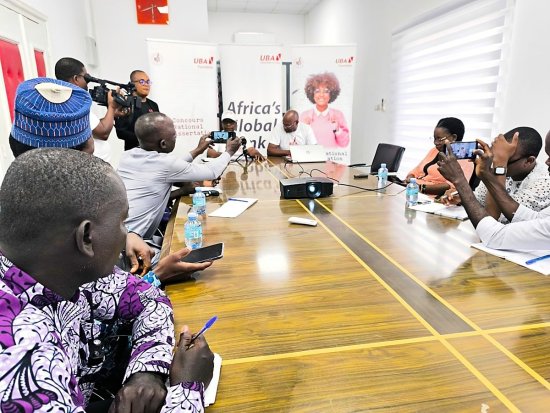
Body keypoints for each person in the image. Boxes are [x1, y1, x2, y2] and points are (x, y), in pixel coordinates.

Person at [0, 148, 214, 411]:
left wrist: (146, 372)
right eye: (123, 222)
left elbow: (150, 300)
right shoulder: (18, 359)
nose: (127, 236)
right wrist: (188, 388)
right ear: (86, 237)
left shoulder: (62, 272)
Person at [8, 77, 210, 281]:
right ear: (87, 150)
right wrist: (157, 276)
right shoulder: (92, 202)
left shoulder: (15, 195)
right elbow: (105, 294)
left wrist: (129, 235)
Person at [118, 112, 241, 242]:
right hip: (132, 243)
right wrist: (229, 151)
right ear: (163, 144)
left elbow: (171, 167)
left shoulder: (127, 156)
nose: (176, 137)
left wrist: (198, 150)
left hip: (118, 233)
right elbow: (211, 171)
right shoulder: (165, 164)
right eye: (174, 135)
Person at [437, 130, 550, 250]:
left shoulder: (544, 181)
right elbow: (480, 201)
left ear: (529, 161)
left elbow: (494, 226)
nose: (547, 162)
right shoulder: (503, 169)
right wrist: (462, 197)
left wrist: (459, 180)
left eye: (505, 160)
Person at [53, 57, 124, 162]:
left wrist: (112, 113)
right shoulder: (74, 104)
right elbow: (103, 133)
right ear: (76, 79)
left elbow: (92, 126)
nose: (87, 83)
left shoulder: (60, 100)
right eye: (86, 77)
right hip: (92, 166)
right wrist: (112, 107)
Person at [406, 117, 474, 196]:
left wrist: (421, 188)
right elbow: (415, 172)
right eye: (435, 138)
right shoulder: (434, 150)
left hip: (431, 197)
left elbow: (453, 186)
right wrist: (409, 179)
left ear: (454, 137)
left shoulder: (465, 160)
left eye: (440, 139)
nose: (435, 142)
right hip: (414, 191)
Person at [300, 72, 350, 148]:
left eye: (326, 91)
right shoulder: (304, 116)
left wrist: (337, 129)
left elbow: (344, 144)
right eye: (317, 91)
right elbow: (298, 143)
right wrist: (304, 129)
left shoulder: (338, 115)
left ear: (331, 94)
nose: (321, 95)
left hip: (331, 155)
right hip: (311, 155)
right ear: (312, 94)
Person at [115, 70, 159, 150]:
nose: (146, 85)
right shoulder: (125, 103)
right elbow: (121, 132)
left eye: (148, 82)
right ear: (132, 84)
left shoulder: (153, 105)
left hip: (154, 152)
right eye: (142, 81)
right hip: (134, 152)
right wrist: (144, 139)